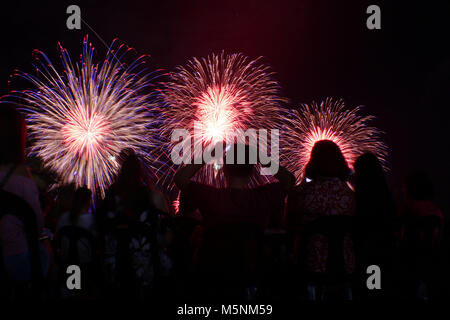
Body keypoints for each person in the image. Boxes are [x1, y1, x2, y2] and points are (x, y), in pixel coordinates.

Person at [174, 142, 295, 299]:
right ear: (253, 171)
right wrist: (260, 157)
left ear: (223, 170)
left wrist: (207, 155)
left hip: (212, 274)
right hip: (251, 273)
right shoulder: (263, 197)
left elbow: (180, 178)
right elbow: (290, 181)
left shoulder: (210, 197)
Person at [287, 140, 355, 277]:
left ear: (312, 162)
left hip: (309, 262)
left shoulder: (300, 193)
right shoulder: (351, 196)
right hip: (346, 263)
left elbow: (289, 226)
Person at [0, 104, 49, 285]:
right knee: (51, 250)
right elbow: (35, 226)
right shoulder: (22, 178)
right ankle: (72, 288)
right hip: (17, 262)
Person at [353, 152, 396, 299]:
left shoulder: (359, 200)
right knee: (375, 287)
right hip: (383, 254)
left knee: (372, 286)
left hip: (368, 254)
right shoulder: (386, 196)